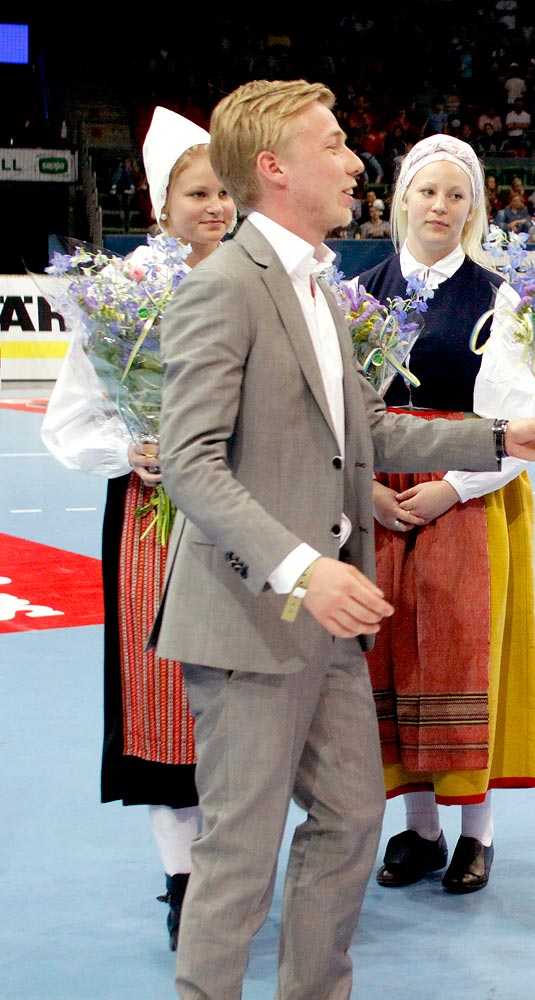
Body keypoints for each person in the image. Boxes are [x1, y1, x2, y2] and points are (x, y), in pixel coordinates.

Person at [149, 79, 535, 1000]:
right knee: (237, 852)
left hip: (329, 625)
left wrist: (507, 438)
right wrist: (304, 568)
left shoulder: (318, 284)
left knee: (353, 820)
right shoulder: (223, 288)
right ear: (275, 168)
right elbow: (190, 464)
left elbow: (369, 434)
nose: (358, 162)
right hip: (256, 620)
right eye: (336, 144)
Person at [41, 106, 236, 953]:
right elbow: (69, 421)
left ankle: (234, 865)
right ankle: (184, 880)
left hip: (247, 516)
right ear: (161, 203)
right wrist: (131, 448)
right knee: (161, 704)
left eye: (226, 190)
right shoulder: (123, 300)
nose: (216, 207)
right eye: (197, 192)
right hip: (155, 521)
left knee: (243, 703)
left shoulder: (268, 281)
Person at [354, 133, 535, 896]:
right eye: (428, 191)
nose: (441, 206)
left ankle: (477, 833)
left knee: (466, 659)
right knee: (393, 658)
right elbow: (336, 408)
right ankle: (421, 831)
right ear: (402, 197)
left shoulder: (500, 297)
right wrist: (363, 486)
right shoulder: (357, 290)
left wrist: (451, 487)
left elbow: (523, 417)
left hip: (469, 493)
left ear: (474, 208)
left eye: (456, 195)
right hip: (378, 496)